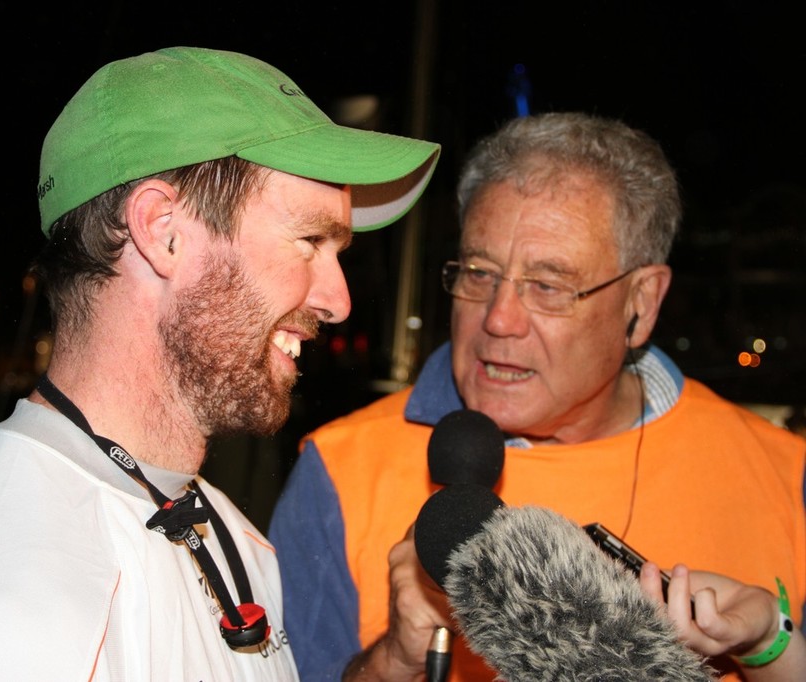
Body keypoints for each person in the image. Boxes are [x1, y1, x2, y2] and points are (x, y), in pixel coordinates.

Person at [0, 46, 440, 681]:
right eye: (311, 241)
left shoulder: (229, 537)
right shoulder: (2, 598)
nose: (339, 301)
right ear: (162, 230)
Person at [269, 112, 805, 681]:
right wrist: (395, 658)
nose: (498, 319)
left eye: (548, 287)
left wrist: (768, 644)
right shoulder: (339, 469)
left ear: (642, 303)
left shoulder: (785, 476)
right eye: (478, 273)